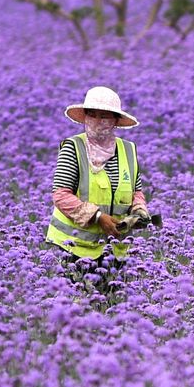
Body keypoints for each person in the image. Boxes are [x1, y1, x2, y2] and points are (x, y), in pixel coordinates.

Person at [46, 86, 151, 301]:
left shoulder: (128, 150)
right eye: (91, 114)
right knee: (76, 309)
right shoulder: (73, 148)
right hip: (73, 249)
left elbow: (135, 190)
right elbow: (61, 195)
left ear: (115, 120)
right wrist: (98, 217)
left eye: (103, 116)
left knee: (108, 310)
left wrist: (139, 210)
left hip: (114, 248)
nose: (96, 120)